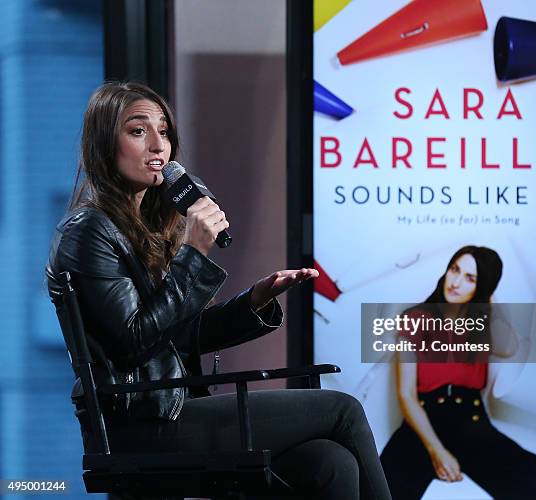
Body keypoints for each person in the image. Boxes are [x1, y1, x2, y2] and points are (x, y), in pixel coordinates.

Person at [46, 82, 392, 500]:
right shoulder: (88, 232)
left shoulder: (146, 230)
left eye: (165, 131)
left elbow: (179, 335)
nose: (158, 145)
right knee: (343, 410)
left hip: (169, 408)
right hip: (138, 422)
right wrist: (194, 252)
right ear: (104, 144)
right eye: (138, 131)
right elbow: (132, 341)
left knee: (329, 462)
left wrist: (254, 303)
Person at [380, 246, 536, 499]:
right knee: (379, 491)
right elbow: (406, 395)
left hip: (470, 421)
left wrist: (488, 304)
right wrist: (436, 450)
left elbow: (509, 347)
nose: (456, 282)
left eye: (471, 278)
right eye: (454, 269)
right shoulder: (415, 318)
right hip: (422, 423)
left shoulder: (481, 323)